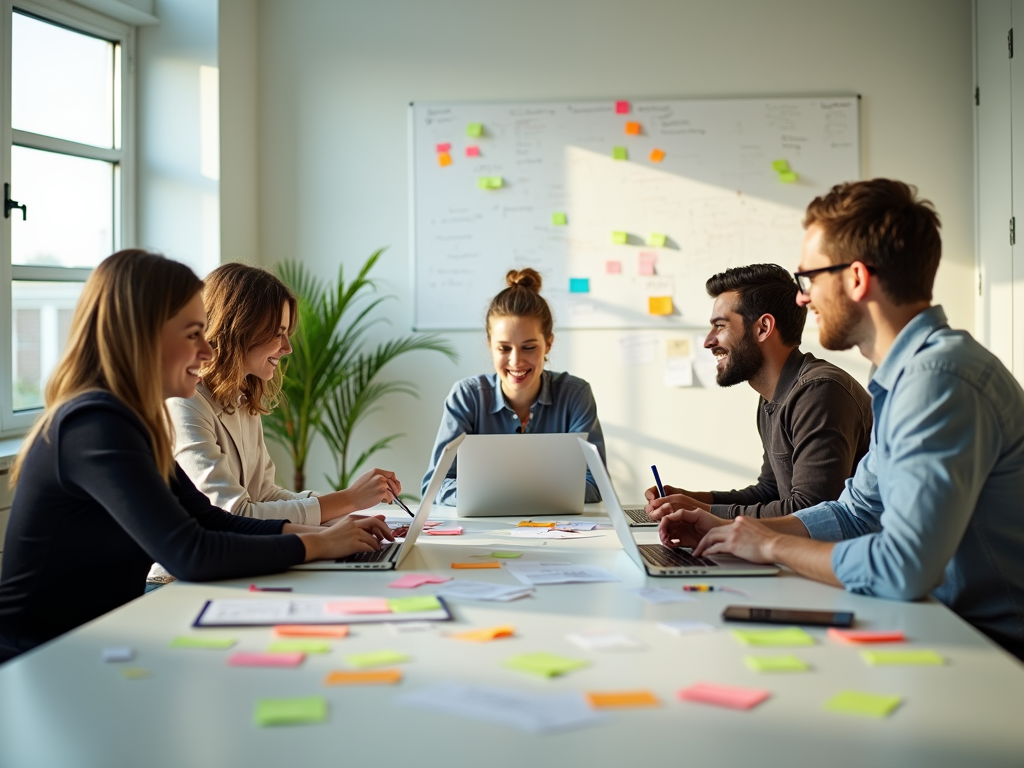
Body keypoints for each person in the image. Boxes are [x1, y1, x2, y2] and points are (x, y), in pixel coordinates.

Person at [648, 179, 1024, 661]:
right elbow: (855, 512)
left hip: (991, 650)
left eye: (809, 280)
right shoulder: (903, 378)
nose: (802, 299)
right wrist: (734, 530)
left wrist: (770, 547)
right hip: (939, 623)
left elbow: (901, 566)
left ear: (857, 279)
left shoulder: (938, 381)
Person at [0, 251, 393, 663]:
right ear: (143, 334)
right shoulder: (93, 424)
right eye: (193, 335)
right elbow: (190, 552)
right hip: (39, 659)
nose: (208, 352)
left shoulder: (131, 419)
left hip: (97, 642)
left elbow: (211, 519)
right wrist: (319, 543)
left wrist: (327, 537)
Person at [166, 262, 402, 527]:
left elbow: (265, 496)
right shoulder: (185, 405)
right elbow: (234, 516)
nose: (287, 348)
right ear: (239, 329)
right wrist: (348, 500)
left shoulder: (242, 400)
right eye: (279, 334)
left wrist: (343, 516)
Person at [649, 264, 872, 519]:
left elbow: (812, 513)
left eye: (720, 326)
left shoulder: (818, 392)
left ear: (763, 328)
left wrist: (705, 514)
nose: (708, 341)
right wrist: (691, 500)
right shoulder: (774, 395)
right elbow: (771, 491)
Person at [422, 268, 606, 504]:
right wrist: (529, 494)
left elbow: (596, 483)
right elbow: (434, 486)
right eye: (504, 348)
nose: (516, 360)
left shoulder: (575, 395)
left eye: (529, 347)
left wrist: (499, 494)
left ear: (548, 344)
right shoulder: (466, 397)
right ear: (490, 345)